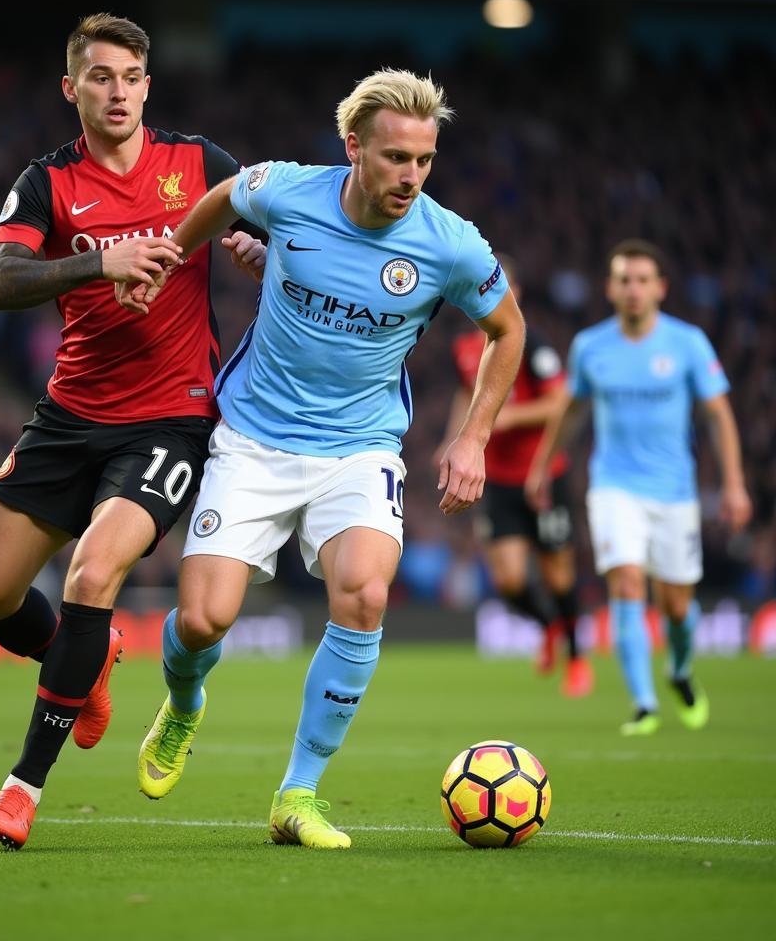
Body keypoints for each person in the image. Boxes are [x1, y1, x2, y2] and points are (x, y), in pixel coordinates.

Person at [128, 69, 526, 849]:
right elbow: (225, 197)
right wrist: (174, 255)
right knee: (205, 620)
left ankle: (298, 792)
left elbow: (507, 331)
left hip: (359, 447)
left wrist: (474, 433)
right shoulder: (288, 191)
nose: (410, 176)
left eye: (424, 160)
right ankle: (182, 704)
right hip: (251, 438)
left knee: (365, 596)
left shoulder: (449, 243)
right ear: (353, 149)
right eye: (394, 158)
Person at [0, 13, 265, 850]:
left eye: (130, 76)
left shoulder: (199, 165)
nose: (118, 90)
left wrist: (269, 259)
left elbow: (295, 226)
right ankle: (81, 658)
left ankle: (21, 790)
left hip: (170, 418)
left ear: (147, 86)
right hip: (70, 414)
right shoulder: (48, 181)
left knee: (94, 573)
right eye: (100, 76)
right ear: (73, 89)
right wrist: (102, 259)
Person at [526, 239, 752, 736]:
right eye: (624, 280)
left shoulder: (687, 343)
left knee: (675, 604)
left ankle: (680, 671)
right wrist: (543, 465)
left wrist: (734, 483)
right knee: (626, 583)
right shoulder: (590, 346)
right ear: (610, 288)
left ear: (660, 288)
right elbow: (572, 409)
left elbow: (718, 414)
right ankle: (644, 704)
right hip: (614, 487)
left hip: (674, 491)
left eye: (642, 280)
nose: (633, 289)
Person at [438, 254, 593, 697]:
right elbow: (464, 393)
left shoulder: (532, 342)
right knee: (507, 579)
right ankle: (548, 628)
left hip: (542, 475)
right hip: (497, 478)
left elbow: (560, 401)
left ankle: (578, 659)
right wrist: (452, 437)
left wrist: (509, 417)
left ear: (516, 293)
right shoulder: (464, 347)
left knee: (558, 574)